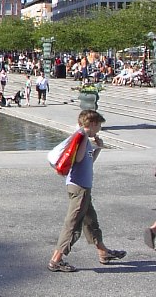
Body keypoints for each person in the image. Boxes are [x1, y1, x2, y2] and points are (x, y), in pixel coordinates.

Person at [47, 110, 126, 272]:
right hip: (79, 188)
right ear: (93, 124)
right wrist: (87, 140)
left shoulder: (83, 138)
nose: (100, 128)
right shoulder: (82, 136)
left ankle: (103, 252)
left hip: (81, 187)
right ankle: (56, 260)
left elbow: (88, 161)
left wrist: (98, 148)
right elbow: (79, 159)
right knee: (73, 224)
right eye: (99, 125)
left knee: (90, 221)